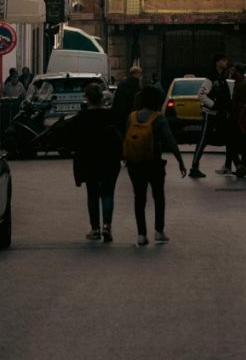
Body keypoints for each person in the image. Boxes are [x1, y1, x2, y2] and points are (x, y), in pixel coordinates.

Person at [124, 84, 186, 245]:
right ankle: (159, 231)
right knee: (158, 197)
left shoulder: (132, 117)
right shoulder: (158, 118)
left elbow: (125, 138)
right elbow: (170, 141)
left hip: (134, 164)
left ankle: (141, 234)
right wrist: (180, 161)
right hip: (154, 163)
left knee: (139, 198)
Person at [64, 82, 122, 242]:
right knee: (108, 193)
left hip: (88, 159)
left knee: (93, 194)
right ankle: (107, 226)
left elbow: (72, 140)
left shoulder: (81, 118)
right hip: (109, 158)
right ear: (102, 98)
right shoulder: (111, 115)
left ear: (87, 98)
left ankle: (95, 229)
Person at [189, 54, 233, 178]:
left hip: (219, 114)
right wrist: (213, 105)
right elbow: (201, 94)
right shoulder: (210, 78)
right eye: (223, 60)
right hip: (210, 114)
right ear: (217, 62)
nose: (226, 62)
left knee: (229, 138)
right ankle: (194, 167)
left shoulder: (221, 77)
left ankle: (232, 165)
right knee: (203, 140)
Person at [229, 65, 246, 176]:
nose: (231, 73)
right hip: (238, 118)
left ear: (238, 72)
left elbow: (245, 104)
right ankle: (241, 166)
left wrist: (239, 119)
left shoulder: (243, 84)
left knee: (235, 143)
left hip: (240, 119)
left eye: (233, 71)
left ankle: (241, 166)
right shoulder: (239, 83)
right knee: (242, 144)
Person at [111, 64, 143, 133]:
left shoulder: (122, 83)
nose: (141, 76)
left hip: (119, 113)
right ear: (136, 73)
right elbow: (136, 100)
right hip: (129, 113)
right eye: (140, 74)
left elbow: (116, 98)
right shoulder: (136, 85)